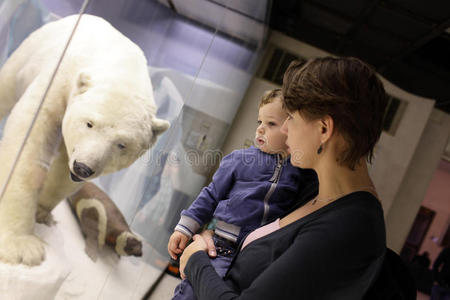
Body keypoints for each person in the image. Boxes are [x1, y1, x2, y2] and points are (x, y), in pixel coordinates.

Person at [179, 57, 389, 299]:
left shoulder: (347, 226)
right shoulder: (312, 186)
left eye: (293, 118)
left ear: (323, 129)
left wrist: (196, 260)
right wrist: (213, 235)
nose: (285, 129)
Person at [167, 88, 317, 300]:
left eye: (271, 124)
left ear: (292, 128)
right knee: (193, 291)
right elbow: (210, 195)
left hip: (255, 254)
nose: (261, 130)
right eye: (259, 122)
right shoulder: (239, 159)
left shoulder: (298, 170)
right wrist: (184, 228)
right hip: (221, 245)